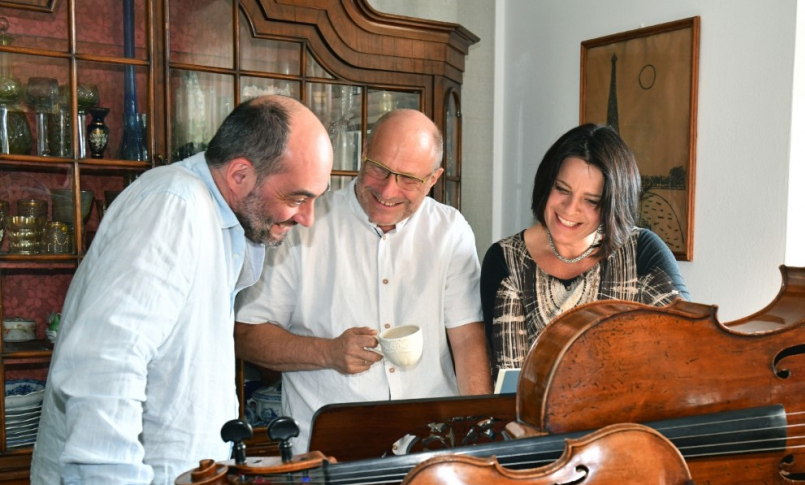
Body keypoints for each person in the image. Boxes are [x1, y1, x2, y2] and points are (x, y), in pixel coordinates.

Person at [28, 95, 334, 485]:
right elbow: (105, 358)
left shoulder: (219, 219)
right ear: (240, 173)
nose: (306, 217)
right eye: (298, 197)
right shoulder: (172, 207)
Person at [234, 108, 491, 451]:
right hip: (328, 452)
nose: (388, 189)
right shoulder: (302, 222)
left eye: (409, 179)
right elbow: (246, 335)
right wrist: (327, 353)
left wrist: (479, 439)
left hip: (431, 447)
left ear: (434, 178)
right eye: (379, 169)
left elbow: (467, 342)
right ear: (363, 151)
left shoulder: (450, 230)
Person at [481, 123, 690, 377]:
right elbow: (512, 381)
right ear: (546, 184)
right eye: (562, 189)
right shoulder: (506, 260)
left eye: (591, 201)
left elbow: (687, 347)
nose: (570, 209)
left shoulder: (642, 253)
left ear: (613, 205)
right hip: (537, 417)